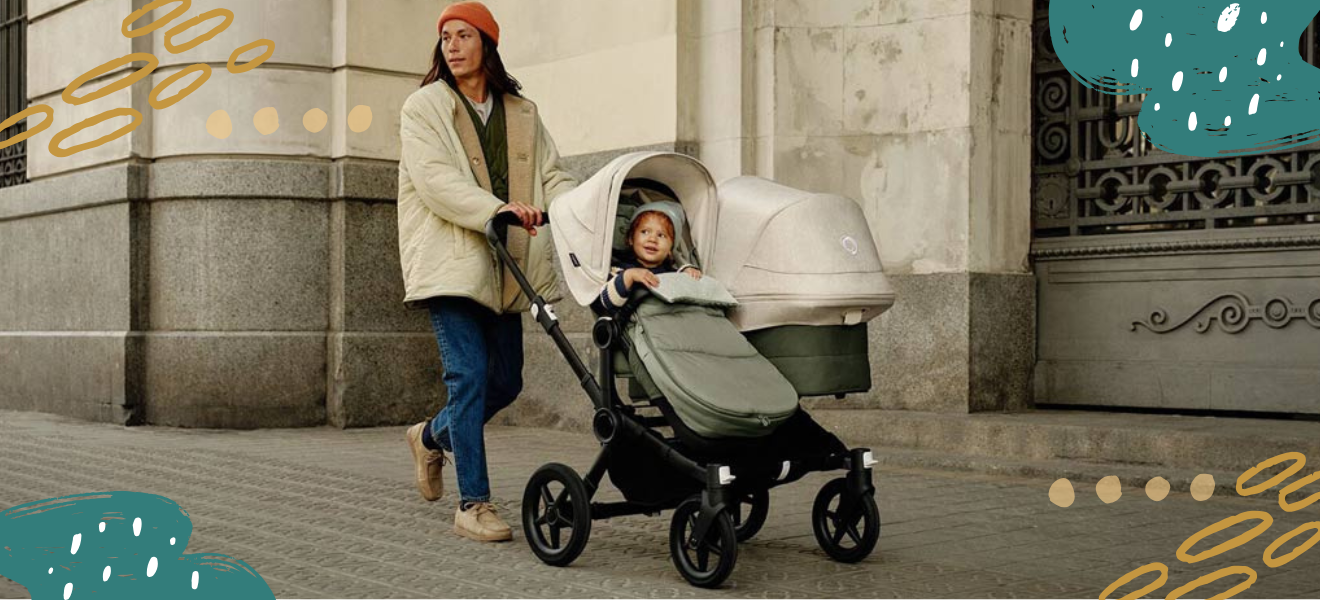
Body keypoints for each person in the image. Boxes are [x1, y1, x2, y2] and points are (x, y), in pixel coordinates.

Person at [396, 1, 577, 543]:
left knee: (505, 381)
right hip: (451, 259)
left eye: (464, 35)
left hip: (506, 263)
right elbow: (434, 179)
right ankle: (472, 504)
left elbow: (551, 175)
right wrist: (495, 209)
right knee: (469, 377)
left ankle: (431, 437)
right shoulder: (425, 106)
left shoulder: (522, 112)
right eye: (445, 37)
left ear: (487, 44)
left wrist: (576, 208)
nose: (452, 45)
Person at [591, 202, 703, 314]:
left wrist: (687, 274)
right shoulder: (620, 270)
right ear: (631, 239)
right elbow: (603, 303)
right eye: (645, 232)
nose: (652, 239)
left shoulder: (671, 274)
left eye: (661, 235)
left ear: (671, 249)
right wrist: (628, 276)